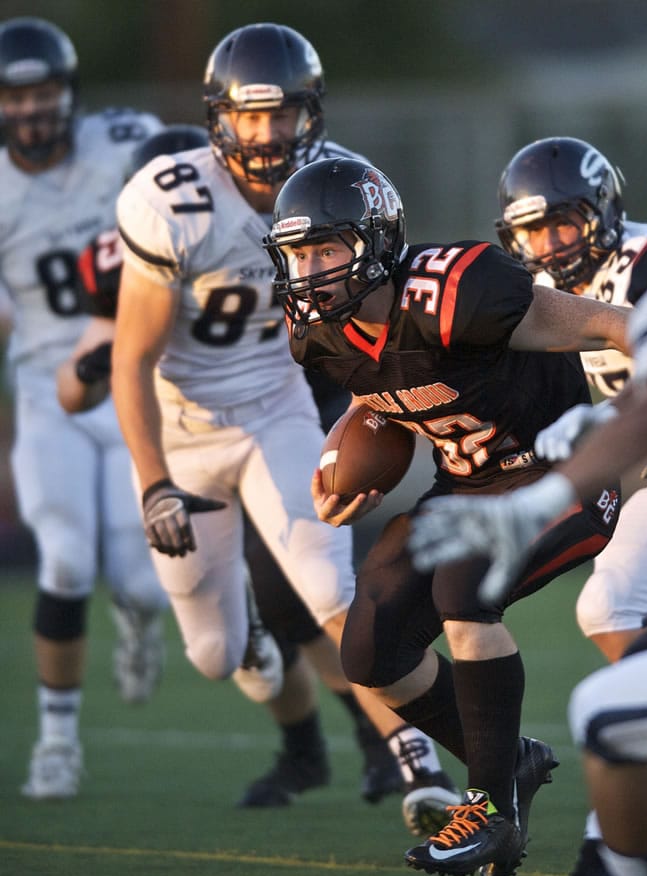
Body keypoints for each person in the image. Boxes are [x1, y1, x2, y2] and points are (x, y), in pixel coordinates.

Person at [111, 23, 455, 825]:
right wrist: (155, 481)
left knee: (333, 590)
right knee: (214, 654)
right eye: (251, 115)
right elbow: (131, 362)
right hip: (186, 438)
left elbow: (377, 319)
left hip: (276, 411)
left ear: (312, 112)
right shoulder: (174, 202)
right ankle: (256, 649)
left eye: (283, 113)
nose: (267, 134)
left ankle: (422, 769)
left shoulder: (335, 190)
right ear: (219, 116)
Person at [408, 92, 647, 876]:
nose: (547, 248)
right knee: (614, 636)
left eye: (563, 224)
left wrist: (571, 468)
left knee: (616, 653)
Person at [262, 154, 630, 876]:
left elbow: (616, 326)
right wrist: (354, 454)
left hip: (560, 474)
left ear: (375, 243)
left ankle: (489, 806)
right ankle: (509, 760)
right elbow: (388, 388)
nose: (309, 270)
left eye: (326, 250)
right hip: (466, 485)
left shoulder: (458, 293)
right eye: (297, 254)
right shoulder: (320, 334)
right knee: (371, 649)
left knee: (464, 587)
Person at [0, 16, 167, 800]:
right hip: (48, 391)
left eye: (44, 93)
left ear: (69, 94)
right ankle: (58, 741)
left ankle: (140, 616)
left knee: (139, 575)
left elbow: (191, 179)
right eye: (16, 96)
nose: (32, 110)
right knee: (65, 557)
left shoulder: (123, 142)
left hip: (131, 376)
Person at [496, 136, 647, 663]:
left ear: (602, 210)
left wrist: (609, 420)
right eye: (532, 231)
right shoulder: (534, 284)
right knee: (608, 606)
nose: (548, 246)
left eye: (561, 223)